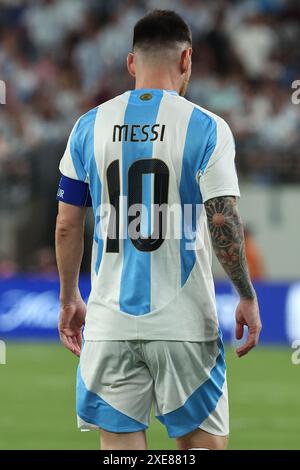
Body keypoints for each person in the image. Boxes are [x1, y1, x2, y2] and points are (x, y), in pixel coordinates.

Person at [55, 9, 262, 451]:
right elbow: (222, 217)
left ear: (132, 63)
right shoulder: (207, 127)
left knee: (122, 453)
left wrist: (70, 297)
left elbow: (67, 225)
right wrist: (245, 294)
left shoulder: (87, 126)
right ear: (187, 59)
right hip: (184, 322)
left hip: (109, 323)